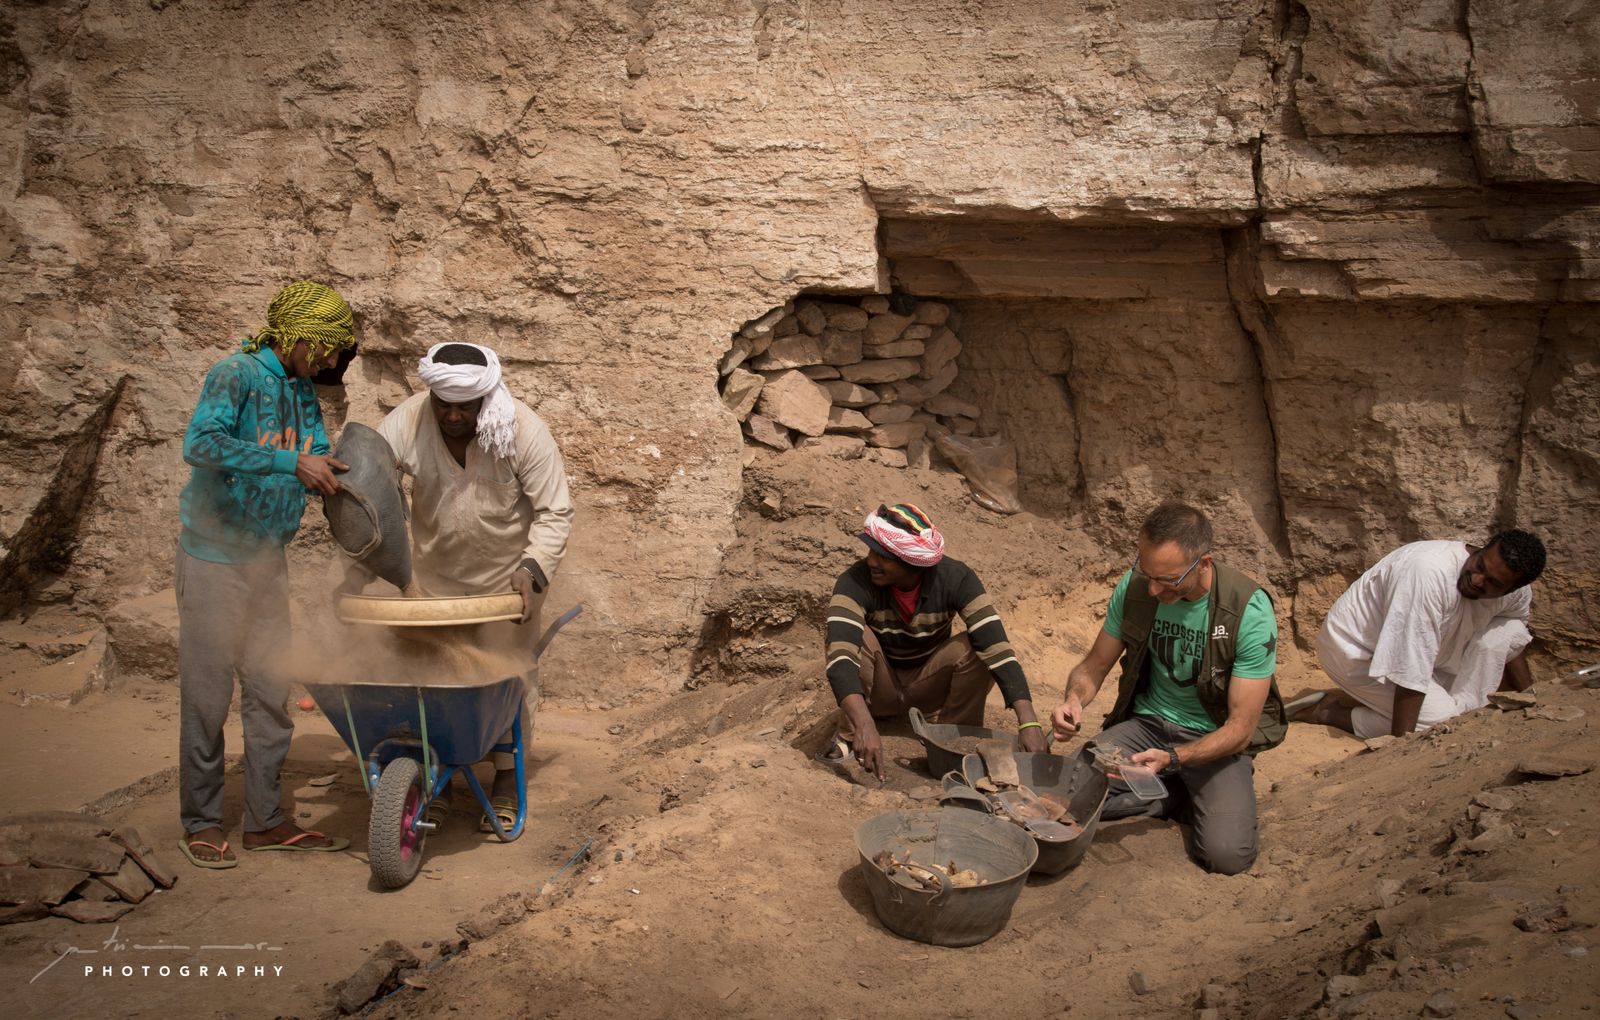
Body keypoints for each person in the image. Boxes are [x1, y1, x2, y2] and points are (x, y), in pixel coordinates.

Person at [175, 280, 356, 868]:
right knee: (207, 697)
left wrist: (330, 466)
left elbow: (312, 445)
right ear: (298, 336)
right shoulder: (236, 373)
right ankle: (201, 822)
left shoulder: (301, 387)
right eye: (324, 347)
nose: (329, 360)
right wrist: (289, 461)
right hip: (213, 559)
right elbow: (201, 443)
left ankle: (266, 820)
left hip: (265, 561)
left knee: (270, 694)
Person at [367, 341, 573, 831]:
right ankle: (435, 780)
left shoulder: (523, 429)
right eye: (445, 405)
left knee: (505, 680)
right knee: (433, 683)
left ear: (486, 398)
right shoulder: (408, 421)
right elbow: (371, 485)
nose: (454, 416)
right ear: (431, 395)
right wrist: (370, 559)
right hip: (433, 582)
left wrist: (532, 569)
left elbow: (554, 511)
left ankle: (505, 780)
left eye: (466, 406)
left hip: (508, 585)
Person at [1051, 503, 1285, 875]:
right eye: (1148, 574)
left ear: (1203, 563)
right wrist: (1073, 699)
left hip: (1212, 740)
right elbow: (1094, 665)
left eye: (1169, 579)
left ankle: (1178, 786)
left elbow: (1241, 729)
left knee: (1226, 856)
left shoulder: (1247, 611)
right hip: (1148, 724)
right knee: (1069, 793)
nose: (1155, 588)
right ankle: (1172, 796)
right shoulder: (1136, 588)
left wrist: (1173, 758)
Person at [819, 502, 1047, 779]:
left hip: (927, 686)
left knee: (977, 647)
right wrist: (865, 724)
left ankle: (953, 741)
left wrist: (1029, 722)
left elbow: (997, 647)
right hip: (881, 687)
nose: (871, 561)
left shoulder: (957, 579)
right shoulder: (854, 581)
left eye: (883, 556)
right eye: (871, 551)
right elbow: (841, 656)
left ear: (912, 562)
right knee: (858, 636)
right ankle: (851, 736)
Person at [1291, 531, 1545, 739]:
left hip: (1433, 654)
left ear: (1514, 588)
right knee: (1447, 723)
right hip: (1356, 650)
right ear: (1480, 548)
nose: (1477, 580)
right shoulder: (1428, 573)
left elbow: (1512, 636)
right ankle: (1326, 713)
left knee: (1513, 628)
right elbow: (1409, 666)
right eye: (1479, 565)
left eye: (1493, 583)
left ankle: (1431, 709)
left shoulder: (1517, 594)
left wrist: (1533, 699)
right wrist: (1402, 749)